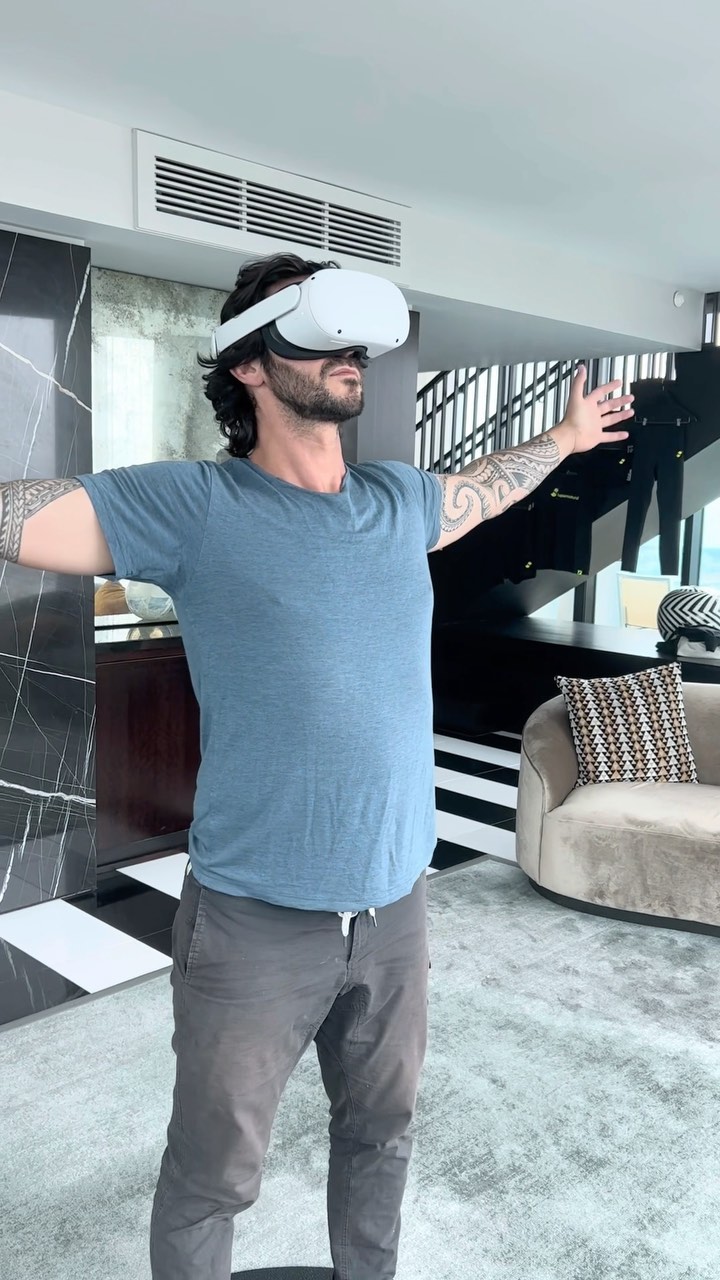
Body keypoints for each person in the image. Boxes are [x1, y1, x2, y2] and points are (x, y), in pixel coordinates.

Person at [2, 252, 633, 1280]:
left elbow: (482, 490)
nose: (352, 355)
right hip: (255, 920)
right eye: (320, 335)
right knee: (213, 1175)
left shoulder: (396, 499)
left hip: (397, 909)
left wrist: (563, 438)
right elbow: (23, 519)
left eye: (356, 341)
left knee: (382, 1137)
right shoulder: (195, 505)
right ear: (250, 365)